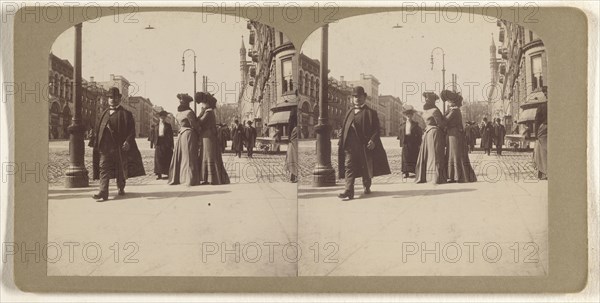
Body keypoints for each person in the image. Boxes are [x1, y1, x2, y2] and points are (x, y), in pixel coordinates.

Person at [89, 87, 145, 201]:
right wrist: (95, 141)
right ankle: (103, 192)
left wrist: (128, 141)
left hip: (119, 147)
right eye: (110, 97)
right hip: (105, 148)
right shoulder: (104, 113)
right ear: (107, 99)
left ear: (119, 98)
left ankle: (121, 186)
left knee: (120, 168)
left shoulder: (126, 114)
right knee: (103, 168)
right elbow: (98, 130)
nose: (112, 100)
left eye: (115, 97)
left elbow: (132, 131)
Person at [337, 86, 391, 200]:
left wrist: (373, 140)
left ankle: (367, 185)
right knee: (349, 167)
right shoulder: (349, 112)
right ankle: (348, 191)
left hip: (364, 146)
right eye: (355, 97)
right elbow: (344, 127)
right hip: (350, 147)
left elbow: (377, 129)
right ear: (352, 98)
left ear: (364, 97)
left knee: (365, 167)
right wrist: (341, 137)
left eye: (360, 96)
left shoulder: (371, 112)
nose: (357, 99)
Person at [442, 90, 477, 183]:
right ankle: (453, 176)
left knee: (456, 154)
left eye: (449, 101)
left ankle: (460, 176)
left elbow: (445, 120)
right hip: (452, 135)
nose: (448, 103)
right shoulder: (453, 110)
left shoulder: (455, 111)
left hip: (455, 134)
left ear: (453, 102)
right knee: (452, 154)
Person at [196, 92, 230, 185]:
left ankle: (212, 178)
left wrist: (200, 113)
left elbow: (200, 122)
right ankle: (208, 178)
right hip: (207, 136)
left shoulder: (208, 112)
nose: (202, 105)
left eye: (203, 103)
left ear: (207, 103)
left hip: (208, 136)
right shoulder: (208, 111)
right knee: (206, 156)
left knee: (209, 156)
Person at [168, 93, 201, 186]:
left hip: (181, 134)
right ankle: (190, 179)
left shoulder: (178, 113)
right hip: (189, 134)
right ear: (188, 103)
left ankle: (180, 178)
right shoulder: (189, 112)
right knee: (190, 156)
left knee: (181, 157)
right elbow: (194, 125)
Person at [415, 91, 447, 184]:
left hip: (427, 133)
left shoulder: (425, 112)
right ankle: (436, 177)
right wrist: (446, 123)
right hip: (435, 133)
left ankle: (425, 176)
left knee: (428, 155)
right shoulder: (435, 111)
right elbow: (440, 124)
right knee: (436, 155)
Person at [398, 104, 422, 178]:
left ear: (412, 115)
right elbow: (400, 133)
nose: (409, 116)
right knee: (405, 157)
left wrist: (419, 143)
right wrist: (401, 140)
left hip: (413, 143)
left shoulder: (415, 125)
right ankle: (405, 172)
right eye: (407, 114)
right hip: (405, 143)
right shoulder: (402, 125)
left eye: (410, 114)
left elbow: (419, 134)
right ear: (405, 115)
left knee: (414, 156)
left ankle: (415, 171)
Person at [151, 111, 174, 180]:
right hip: (159, 142)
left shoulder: (168, 125)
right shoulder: (156, 125)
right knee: (158, 159)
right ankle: (159, 174)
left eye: (164, 117)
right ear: (159, 117)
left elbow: (171, 136)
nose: (163, 118)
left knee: (167, 157)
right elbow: (154, 135)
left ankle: (167, 173)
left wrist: (171, 145)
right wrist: (153, 143)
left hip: (166, 142)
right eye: (161, 117)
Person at [534, 88, 548, 180]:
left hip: (543, 130)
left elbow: (537, 121)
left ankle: (544, 173)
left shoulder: (542, 106)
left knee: (541, 152)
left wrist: (536, 136)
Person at [286, 106, 299, 183]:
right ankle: (294, 175)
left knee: (292, 155)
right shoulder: (295, 109)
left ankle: (293, 175)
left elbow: (290, 124)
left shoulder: (293, 109)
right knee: (295, 156)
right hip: (296, 134)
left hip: (293, 136)